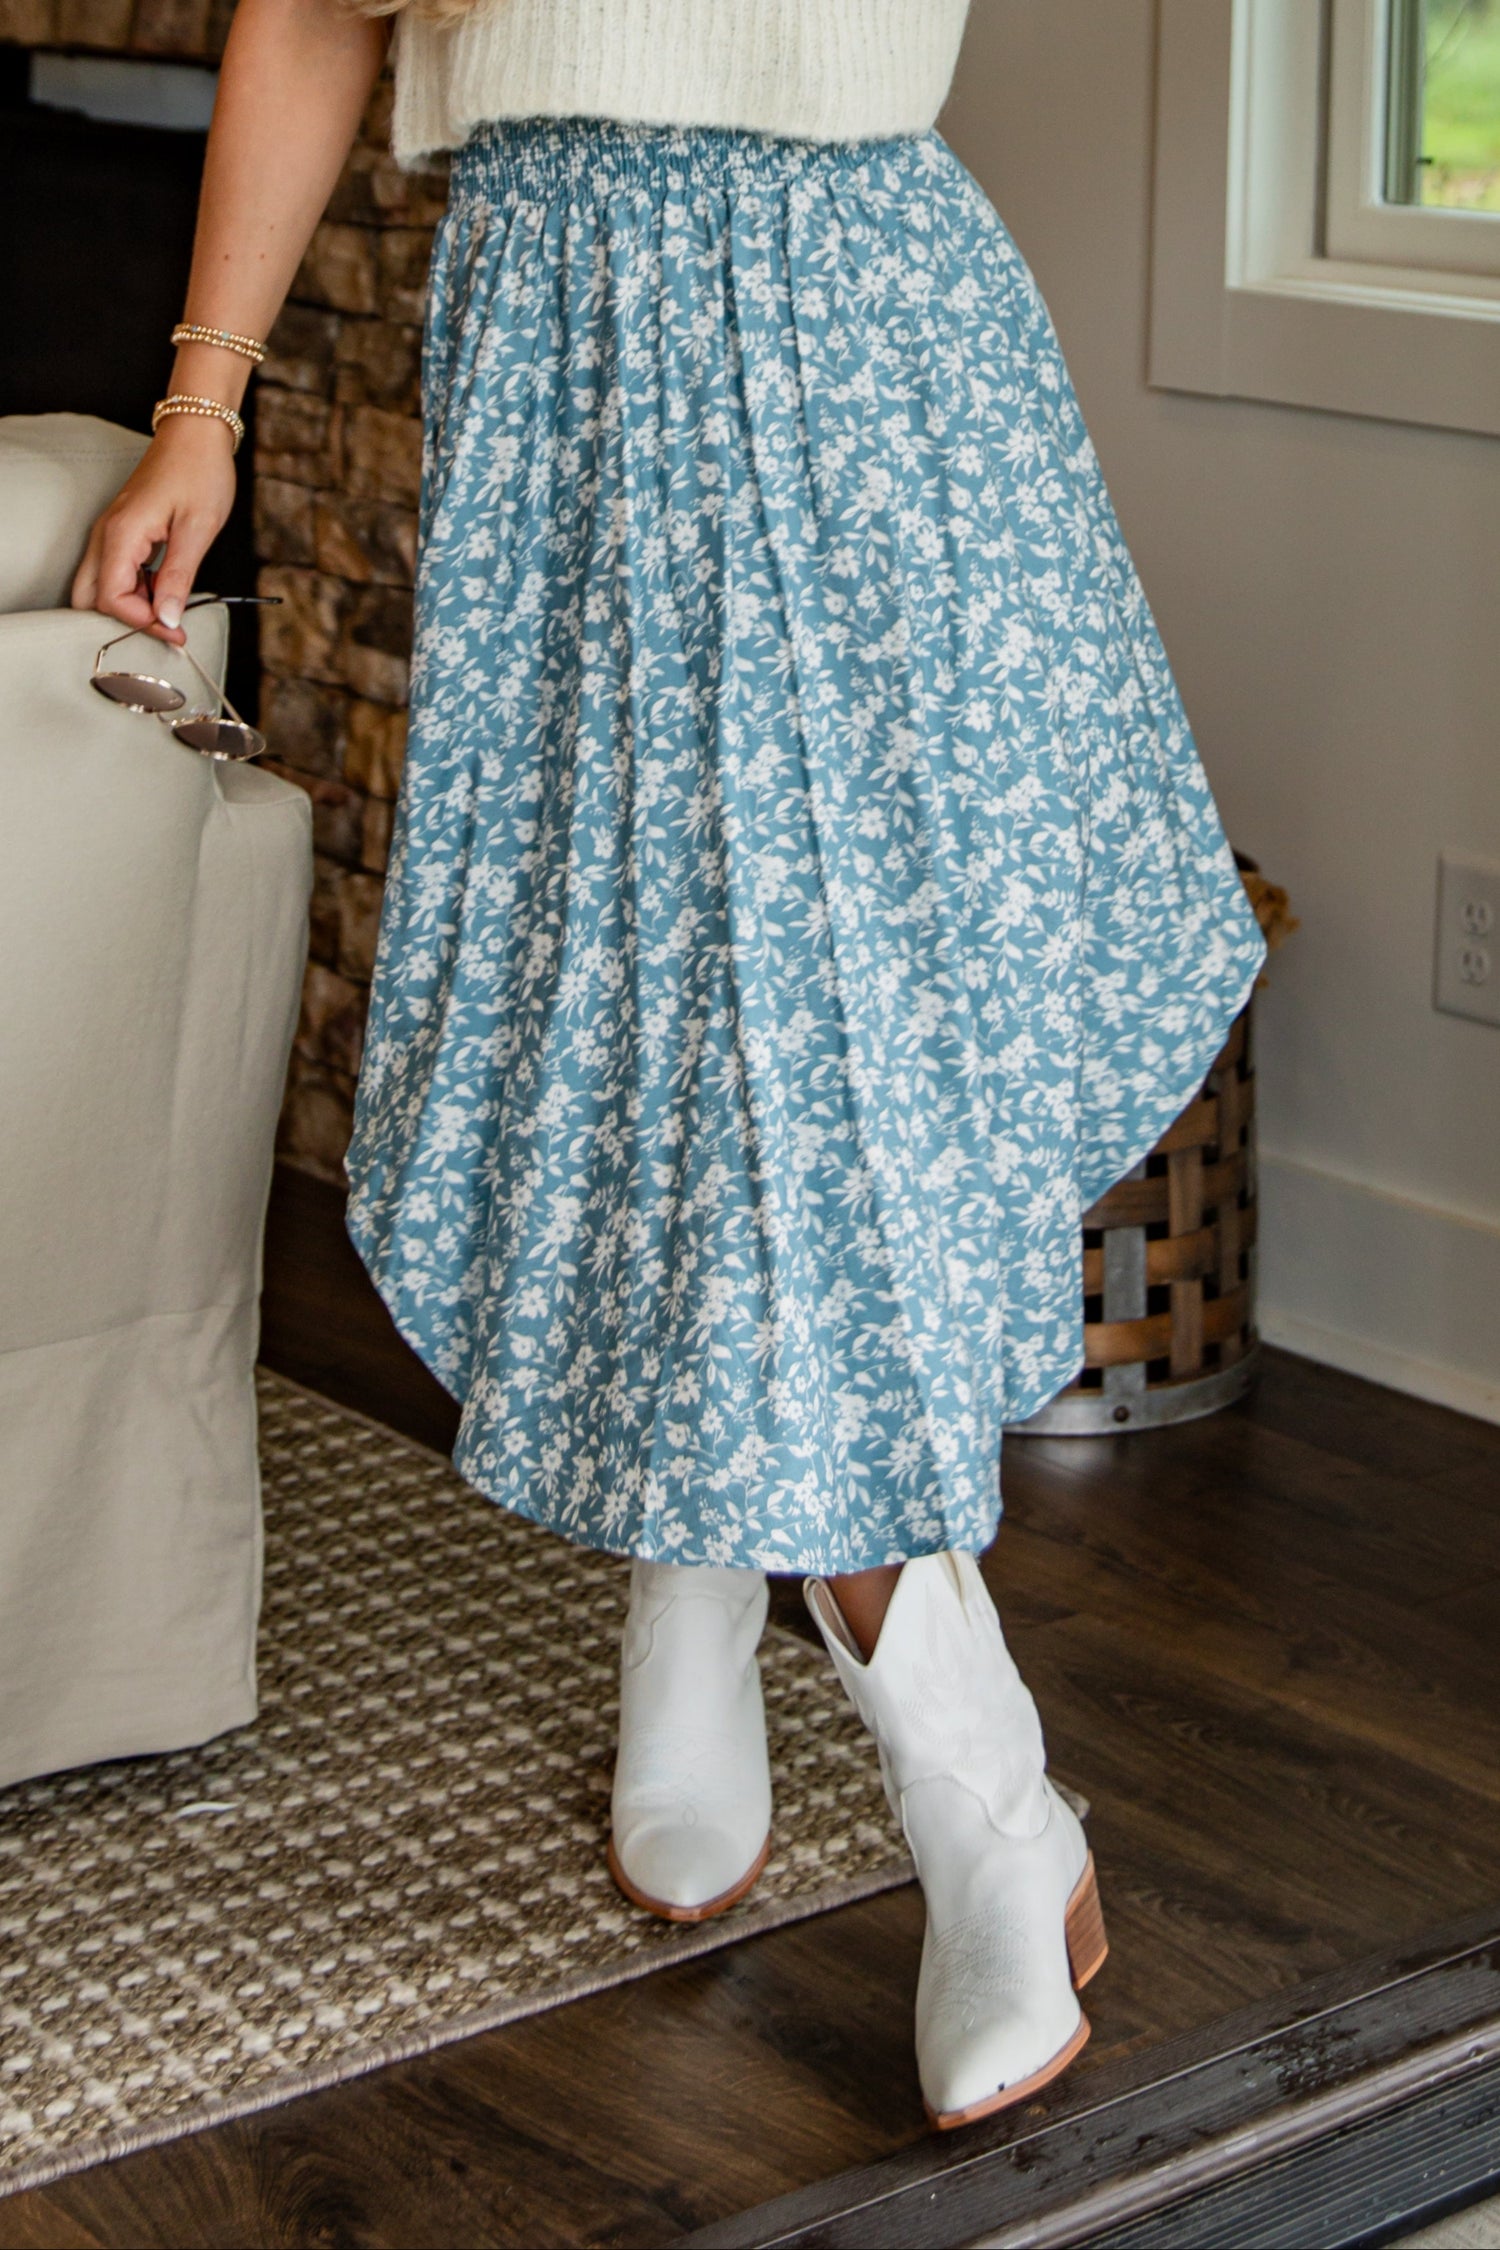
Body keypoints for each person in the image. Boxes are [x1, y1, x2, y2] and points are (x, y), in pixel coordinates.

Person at [74, 0, 1267, 2132]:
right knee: (643, 998)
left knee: (805, 1056)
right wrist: (204, 409)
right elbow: (313, 8)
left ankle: (984, 1796)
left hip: (850, 322)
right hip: (558, 346)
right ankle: (696, 1579)